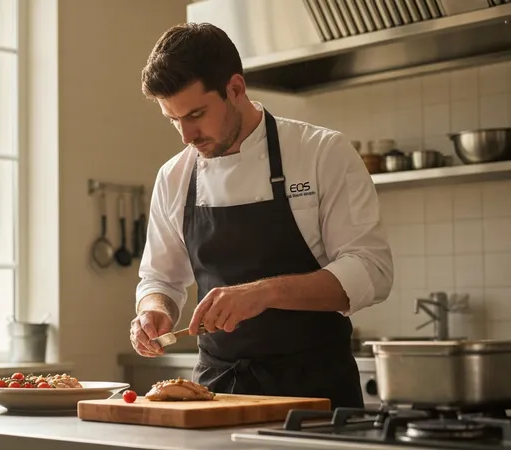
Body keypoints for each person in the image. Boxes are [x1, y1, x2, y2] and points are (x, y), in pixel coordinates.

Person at [129, 22, 394, 410]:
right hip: (216, 393)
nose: (187, 136)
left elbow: (372, 270)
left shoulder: (321, 152)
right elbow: (160, 278)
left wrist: (265, 293)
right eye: (174, 119)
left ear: (236, 89)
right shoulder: (174, 176)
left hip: (316, 393)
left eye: (197, 114)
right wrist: (153, 310)